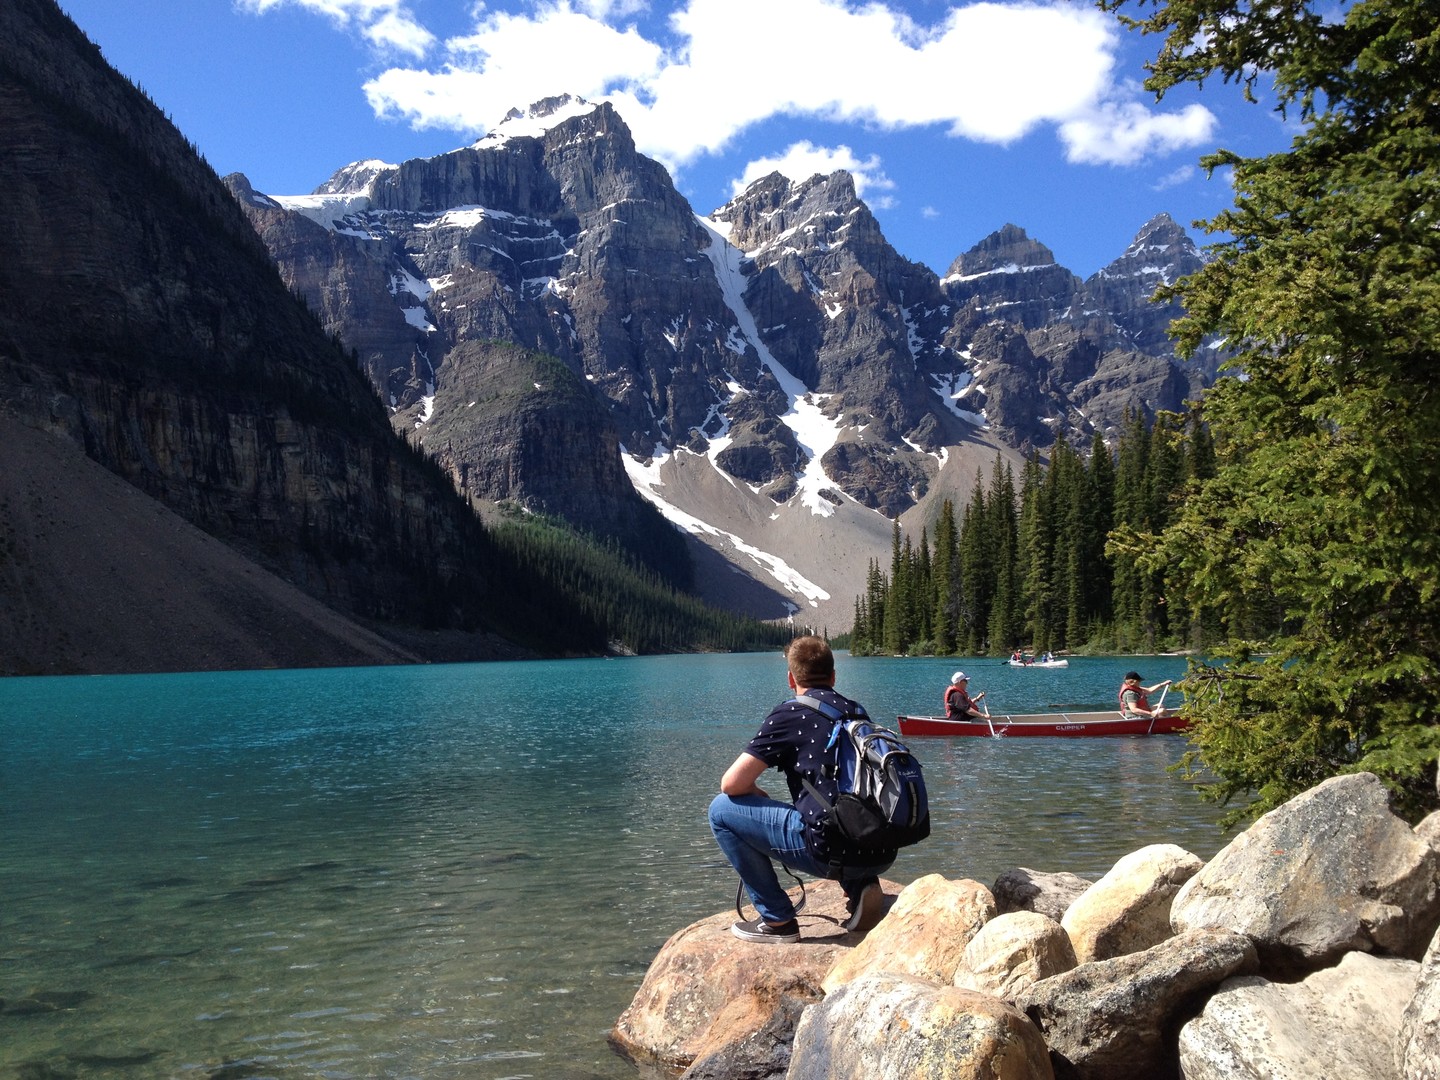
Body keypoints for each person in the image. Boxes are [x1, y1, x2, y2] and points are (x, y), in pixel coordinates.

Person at [708, 636, 893, 943]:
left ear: (791, 678)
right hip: (880, 847)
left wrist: (754, 791)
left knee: (721, 810)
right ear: (833, 677)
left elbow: (731, 784)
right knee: (834, 804)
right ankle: (861, 885)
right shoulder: (856, 711)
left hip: (827, 852)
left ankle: (777, 919)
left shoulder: (789, 714)